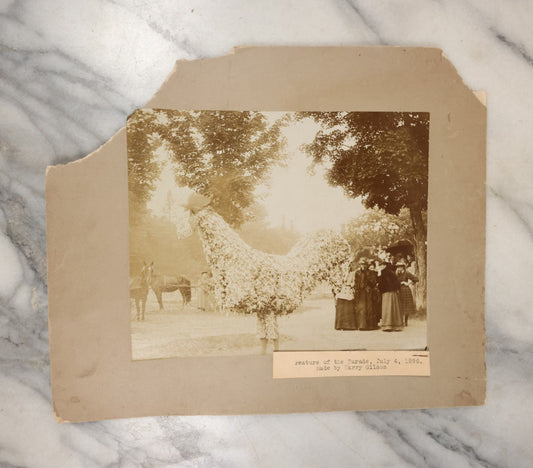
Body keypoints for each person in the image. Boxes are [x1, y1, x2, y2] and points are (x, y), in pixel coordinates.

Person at [354, 258, 379, 330]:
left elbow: (374, 282)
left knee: (369, 308)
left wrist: (368, 285)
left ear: (366, 265)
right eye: (361, 264)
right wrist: (357, 289)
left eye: (364, 264)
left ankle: (370, 326)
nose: (363, 266)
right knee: (361, 308)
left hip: (368, 292)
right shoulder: (357, 272)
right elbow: (356, 282)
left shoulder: (370, 272)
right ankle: (361, 325)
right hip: (360, 292)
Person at [378, 260, 403, 332]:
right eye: (380, 265)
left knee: (387, 308)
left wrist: (380, 288)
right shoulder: (392, 272)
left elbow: (382, 283)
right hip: (393, 292)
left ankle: (387, 325)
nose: (381, 266)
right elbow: (397, 283)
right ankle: (396, 325)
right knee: (394, 308)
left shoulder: (383, 272)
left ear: (385, 266)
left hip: (386, 293)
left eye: (382, 265)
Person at [334, 261, 357, 330]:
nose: (347, 268)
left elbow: (354, 282)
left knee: (348, 307)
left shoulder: (353, 274)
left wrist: (350, 285)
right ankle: (340, 325)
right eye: (345, 267)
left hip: (349, 290)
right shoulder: (341, 274)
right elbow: (338, 283)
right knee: (341, 306)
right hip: (342, 291)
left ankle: (349, 325)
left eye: (348, 266)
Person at [395, 261, 419, 326]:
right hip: (399, 290)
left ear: (403, 267)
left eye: (400, 267)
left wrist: (407, 283)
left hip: (405, 290)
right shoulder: (397, 274)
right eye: (398, 267)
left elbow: (416, 279)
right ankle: (400, 321)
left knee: (406, 306)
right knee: (400, 306)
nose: (399, 268)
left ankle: (405, 321)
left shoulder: (407, 273)